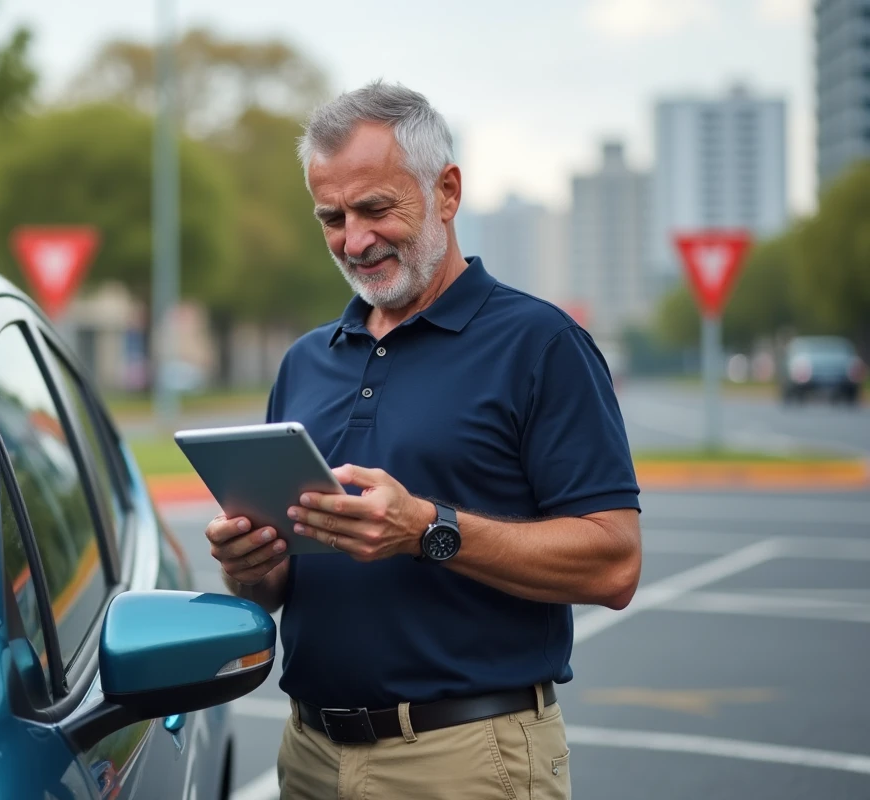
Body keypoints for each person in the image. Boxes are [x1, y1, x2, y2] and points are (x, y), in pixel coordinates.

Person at [205, 80, 642, 800]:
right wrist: (250, 566)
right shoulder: (306, 361)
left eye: (377, 208)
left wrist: (426, 530)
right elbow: (277, 588)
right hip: (309, 756)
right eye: (332, 216)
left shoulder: (541, 345)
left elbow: (615, 564)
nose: (355, 239)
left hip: (465, 759)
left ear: (446, 191)